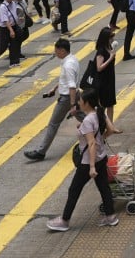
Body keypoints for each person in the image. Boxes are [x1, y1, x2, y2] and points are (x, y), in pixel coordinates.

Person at [46, 89, 118, 231]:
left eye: (80, 100)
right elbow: (111, 129)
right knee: (104, 188)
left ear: (86, 103)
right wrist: (101, 139)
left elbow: (91, 144)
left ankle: (64, 221)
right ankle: (111, 217)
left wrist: (91, 167)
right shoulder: (99, 113)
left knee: (74, 190)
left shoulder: (88, 120)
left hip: (88, 163)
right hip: (102, 157)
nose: (78, 102)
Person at [24, 38, 80, 161]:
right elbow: (65, 80)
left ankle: (41, 151)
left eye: (56, 50)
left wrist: (72, 105)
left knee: (53, 124)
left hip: (67, 98)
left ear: (62, 50)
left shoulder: (68, 65)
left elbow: (71, 85)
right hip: (73, 95)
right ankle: (100, 132)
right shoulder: (72, 59)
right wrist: (54, 89)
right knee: (85, 117)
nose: (55, 53)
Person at [90, 27, 119, 128]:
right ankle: (101, 125)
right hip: (103, 82)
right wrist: (110, 58)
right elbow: (99, 68)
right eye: (111, 36)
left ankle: (110, 125)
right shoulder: (101, 51)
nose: (113, 38)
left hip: (110, 79)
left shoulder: (109, 47)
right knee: (102, 105)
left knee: (110, 104)